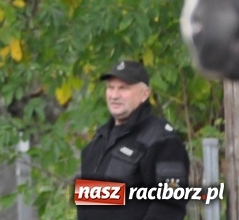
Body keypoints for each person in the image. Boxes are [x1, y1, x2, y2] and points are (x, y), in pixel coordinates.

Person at [77, 60, 189, 220]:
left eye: (124, 88)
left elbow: (169, 206)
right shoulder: (98, 141)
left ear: (145, 94)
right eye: (110, 88)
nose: (114, 95)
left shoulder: (161, 140)